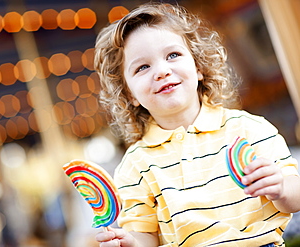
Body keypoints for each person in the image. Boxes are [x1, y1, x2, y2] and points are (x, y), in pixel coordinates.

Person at [94, 2, 300, 247]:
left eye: (173, 55)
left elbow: (295, 196)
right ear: (129, 95)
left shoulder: (250, 129)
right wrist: (129, 242)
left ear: (199, 67)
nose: (161, 71)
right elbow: (145, 236)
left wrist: (280, 187)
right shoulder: (135, 166)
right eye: (142, 67)